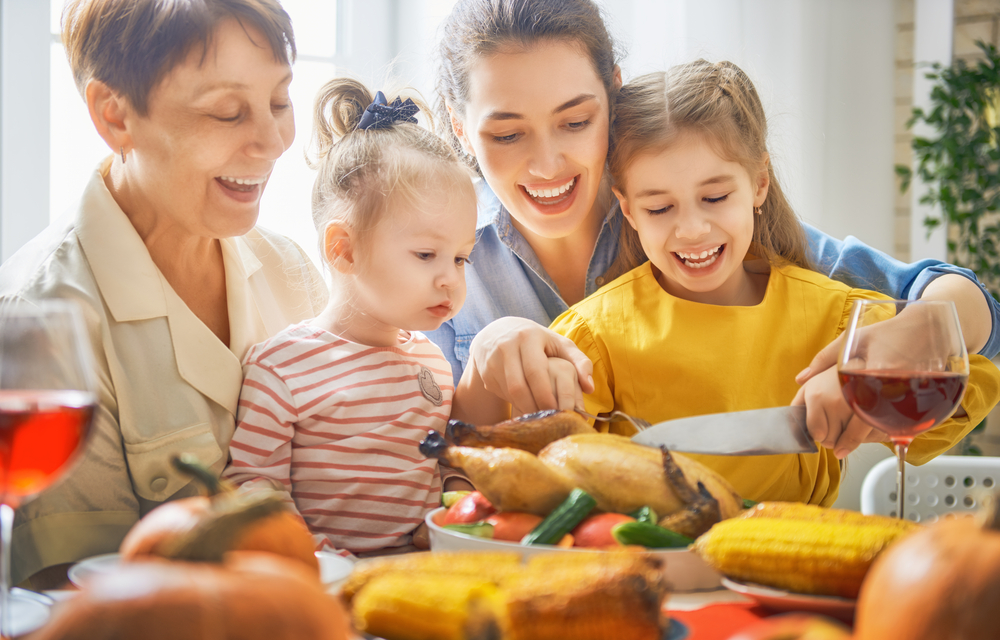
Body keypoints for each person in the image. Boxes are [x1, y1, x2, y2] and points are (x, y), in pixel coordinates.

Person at [431, 0, 1000, 455]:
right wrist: (485, 357)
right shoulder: (438, 255)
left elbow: (976, 314)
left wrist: (919, 330)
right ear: (459, 127)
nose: (548, 164)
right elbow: (419, 454)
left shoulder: (697, 219)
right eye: (507, 135)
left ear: (615, 94)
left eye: (576, 120)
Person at [547, 61, 1000, 506]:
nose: (691, 230)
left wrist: (875, 407)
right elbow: (551, 462)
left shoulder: (832, 314)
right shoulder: (594, 336)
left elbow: (967, 376)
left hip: (798, 567)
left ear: (759, 183)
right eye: (659, 208)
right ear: (628, 210)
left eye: (715, 197)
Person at [0, 0, 326, 586]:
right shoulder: (45, 314)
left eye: (280, 101)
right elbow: (72, 587)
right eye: (227, 112)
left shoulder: (291, 269)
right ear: (115, 116)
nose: (273, 140)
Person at [222, 80, 476, 556]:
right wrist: (317, 557)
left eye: (461, 259)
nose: (450, 280)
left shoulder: (435, 365)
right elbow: (253, 486)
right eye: (426, 254)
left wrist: (450, 513)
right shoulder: (281, 367)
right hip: (321, 586)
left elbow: (439, 472)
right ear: (344, 249)